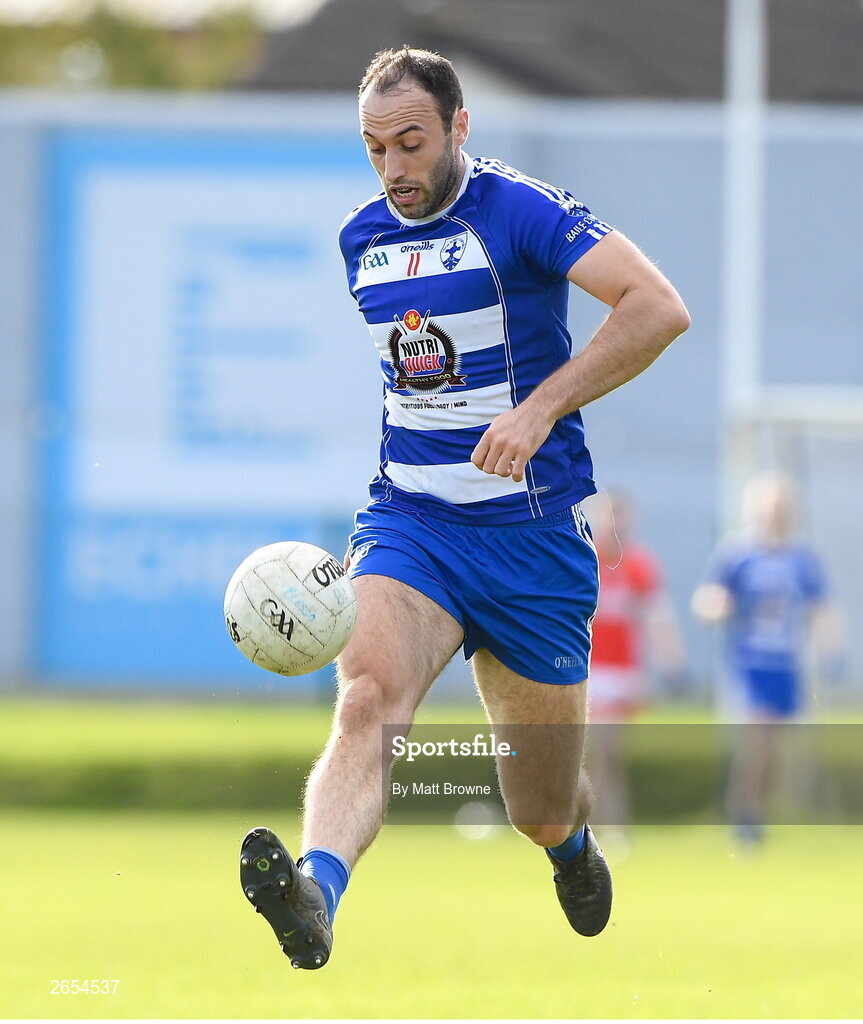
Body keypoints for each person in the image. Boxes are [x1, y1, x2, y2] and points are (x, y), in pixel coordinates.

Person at [240, 45, 690, 969]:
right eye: (376, 149)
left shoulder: (520, 210)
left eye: (411, 142)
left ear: (458, 128)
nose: (395, 167)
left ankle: (568, 846)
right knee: (366, 698)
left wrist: (538, 408)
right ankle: (316, 894)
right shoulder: (360, 238)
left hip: (531, 541)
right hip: (414, 523)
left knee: (535, 806)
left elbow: (656, 307)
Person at [691, 470, 844, 843]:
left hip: (786, 662)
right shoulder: (738, 554)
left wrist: (832, 650)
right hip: (749, 661)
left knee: (773, 746)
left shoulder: (802, 558)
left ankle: (751, 810)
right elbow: (707, 599)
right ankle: (745, 817)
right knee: (759, 738)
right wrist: (719, 607)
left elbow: (821, 607)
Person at [584, 490, 686, 837]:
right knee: (599, 751)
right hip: (586, 670)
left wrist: (672, 665)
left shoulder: (639, 565)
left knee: (611, 753)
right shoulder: (585, 559)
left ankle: (606, 826)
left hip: (623, 672)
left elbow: (658, 618)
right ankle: (597, 826)